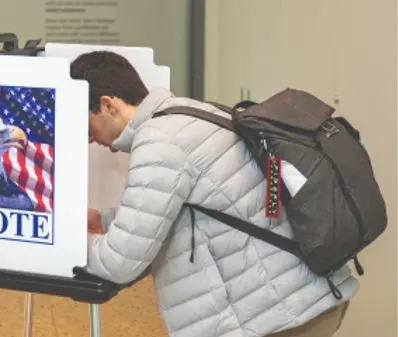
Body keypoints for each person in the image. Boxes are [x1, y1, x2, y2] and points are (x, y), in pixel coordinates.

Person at [71, 50, 357, 337]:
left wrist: (68, 243)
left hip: (279, 317)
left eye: (87, 126)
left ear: (108, 105)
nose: (90, 139)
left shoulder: (158, 141)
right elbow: (183, 207)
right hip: (300, 296)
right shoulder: (190, 113)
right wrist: (105, 222)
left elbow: (120, 262)